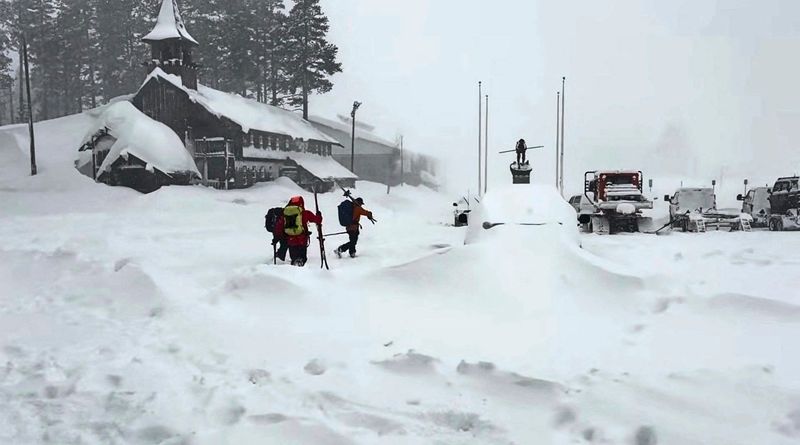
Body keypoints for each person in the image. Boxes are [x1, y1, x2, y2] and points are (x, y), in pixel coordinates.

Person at [274, 195, 322, 266]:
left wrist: (277, 236)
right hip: (302, 238)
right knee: (302, 257)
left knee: (294, 257)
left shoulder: (285, 213)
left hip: (290, 239)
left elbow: (279, 226)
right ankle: (302, 268)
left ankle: (294, 269)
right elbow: (318, 220)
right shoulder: (304, 213)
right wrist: (319, 215)